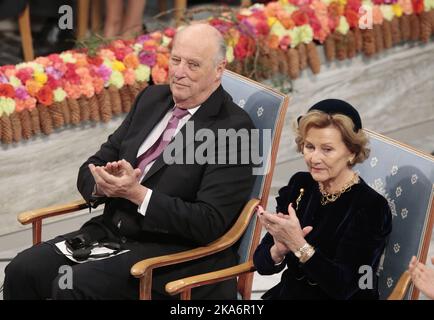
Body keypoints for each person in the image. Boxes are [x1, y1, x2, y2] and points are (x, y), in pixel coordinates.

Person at [4, 23, 256, 300]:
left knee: (74, 286)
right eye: (176, 60)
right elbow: (95, 163)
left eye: (193, 65)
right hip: (112, 232)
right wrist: (103, 184)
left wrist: (138, 195)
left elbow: (209, 222)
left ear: (219, 70)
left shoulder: (234, 129)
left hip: (174, 253)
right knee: (23, 270)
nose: (180, 72)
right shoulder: (152, 99)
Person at [253, 99, 392, 300]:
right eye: (309, 146)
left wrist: (300, 246)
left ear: (352, 152)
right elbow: (261, 264)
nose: (314, 158)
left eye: (327, 149)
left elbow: (346, 287)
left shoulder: (371, 207)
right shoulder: (300, 185)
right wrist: (278, 249)